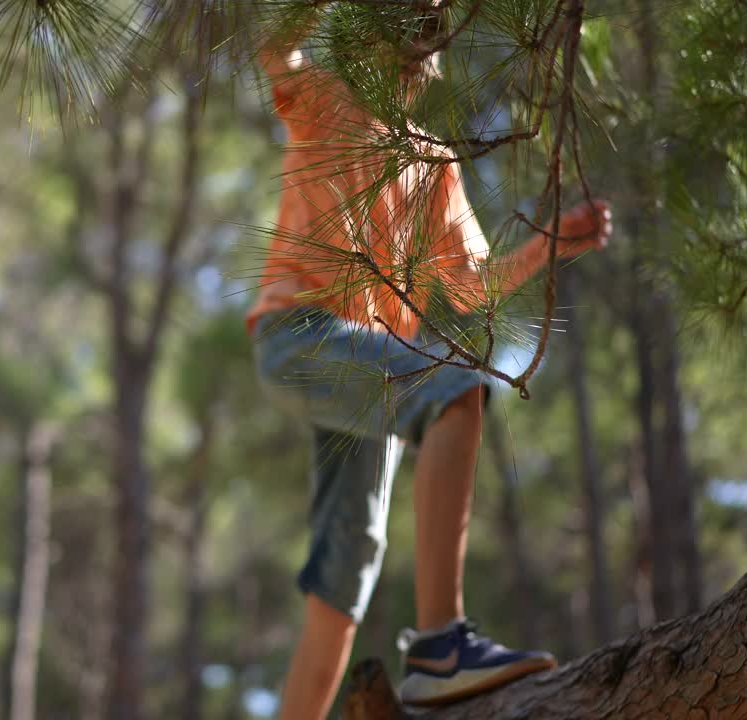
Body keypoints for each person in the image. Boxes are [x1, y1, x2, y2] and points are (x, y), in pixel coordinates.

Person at [245, 3, 612, 717]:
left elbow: (467, 287)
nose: (416, 53)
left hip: (369, 365)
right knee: (454, 391)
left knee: (345, 579)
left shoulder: (435, 161)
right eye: (402, 31)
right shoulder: (325, 100)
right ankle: (442, 645)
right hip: (299, 335)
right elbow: (273, 50)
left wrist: (549, 247)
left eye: (427, 38)